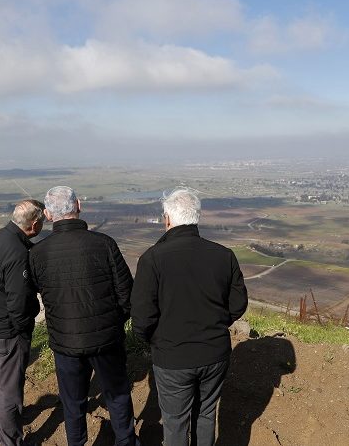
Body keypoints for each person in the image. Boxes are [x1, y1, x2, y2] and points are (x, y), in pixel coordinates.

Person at [131, 187, 248, 446]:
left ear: (168, 219)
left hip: (172, 357)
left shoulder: (152, 259)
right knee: (206, 414)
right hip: (215, 353)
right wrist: (217, 324)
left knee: (175, 422)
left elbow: (141, 317)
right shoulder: (223, 255)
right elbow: (238, 303)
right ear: (197, 217)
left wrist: (155, 340)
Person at [29, 186, 139, 446]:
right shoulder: (104, 244)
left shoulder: (37, 253)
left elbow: (38, 292)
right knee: (118, 394)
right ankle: (126, 441)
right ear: (78, 205)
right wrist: (114, 322)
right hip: (106, 339)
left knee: (73, 402)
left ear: (47, 214)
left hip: (65, 343)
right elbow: (126, 294)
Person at [0, 199, 45, 446]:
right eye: (42, 223)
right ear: (34, 224)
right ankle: (10, 441)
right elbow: (18, 301)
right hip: (7, 331)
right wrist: (23, 327)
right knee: (10, 390)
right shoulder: (16, 252)